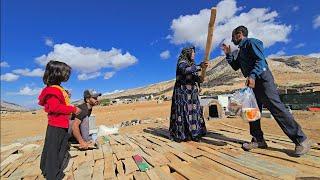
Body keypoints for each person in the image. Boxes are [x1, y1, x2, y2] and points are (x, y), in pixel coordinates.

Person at [221, 25, 312, 156]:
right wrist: (228, 54)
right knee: (252, 111)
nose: (232, 40)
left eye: (233, 37)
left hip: (263, 80)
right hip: (253, 84)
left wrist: (252, 76)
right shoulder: (240, 50)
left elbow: (261, 61)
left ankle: (301, 140)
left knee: (277, 109)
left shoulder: (251, 42)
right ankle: (258, 140)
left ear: (239, 34)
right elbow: (236, 66)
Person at [38, 60, 81, 180]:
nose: (67, 75)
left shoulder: (56, 89)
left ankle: (46, 169)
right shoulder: (53, 91)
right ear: (57, 73)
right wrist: (72, 109)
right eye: (65, 72)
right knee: (56, 150)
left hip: (58, 123)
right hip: (57, 124)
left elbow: (58, 103)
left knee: (51, 148)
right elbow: (55, 107)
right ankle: (54, 175)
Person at [169, 46, 208, 142]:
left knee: (194, 112)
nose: (194, 54)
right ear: (187, 53)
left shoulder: (192, 64)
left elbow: (194, 77)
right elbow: (185, 70)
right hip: (183, 92)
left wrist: (200, 80)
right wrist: (199, 66)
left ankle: (195, 133)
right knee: (183, 111)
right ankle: (183, 134)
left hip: (192, 93)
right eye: (192, 52)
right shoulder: (182, 62)